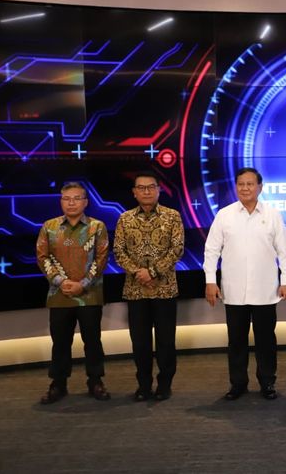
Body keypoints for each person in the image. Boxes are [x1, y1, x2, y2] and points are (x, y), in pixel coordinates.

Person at [203, 167, 286, 401]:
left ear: (260, 188)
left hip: (266, 291)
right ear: (236, 187)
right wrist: (210, 281)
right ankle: (238, 384)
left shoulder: (273, 215)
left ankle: (267, 383)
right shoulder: (224, 215)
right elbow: (212, 251)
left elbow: (284, 252)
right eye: (241, 184)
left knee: (266, 341)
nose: (245, 188)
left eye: (250, 184)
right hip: (233, 292)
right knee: (236, 342)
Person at [36, 182, 111, 404]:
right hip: (59, 296)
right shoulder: (49, 227)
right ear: (61, 202)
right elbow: (42, 257)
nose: (71, 202)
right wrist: (61, 281)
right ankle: (58, 384)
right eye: (67, 198)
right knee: (60, 342)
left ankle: (95, 381)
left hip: (89, 295)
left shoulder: (97, 227)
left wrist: (83, 284)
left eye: (76, 198)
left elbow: (102, 258)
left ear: (85, 202)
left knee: (93, 341)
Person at [114, 172, 184, 402]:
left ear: (158, 190)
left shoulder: (172, 216)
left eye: (150, 187)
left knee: (165, 341)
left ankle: (165, 384)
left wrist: (153, 272)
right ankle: (143, 385)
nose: (146, 191)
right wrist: (138, 273)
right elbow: (118, 252)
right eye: (141, 188)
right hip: (135, 290)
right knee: (140, 342)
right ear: (134, 192)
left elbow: (177, 249)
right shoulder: (124, 219)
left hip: (165, 289)